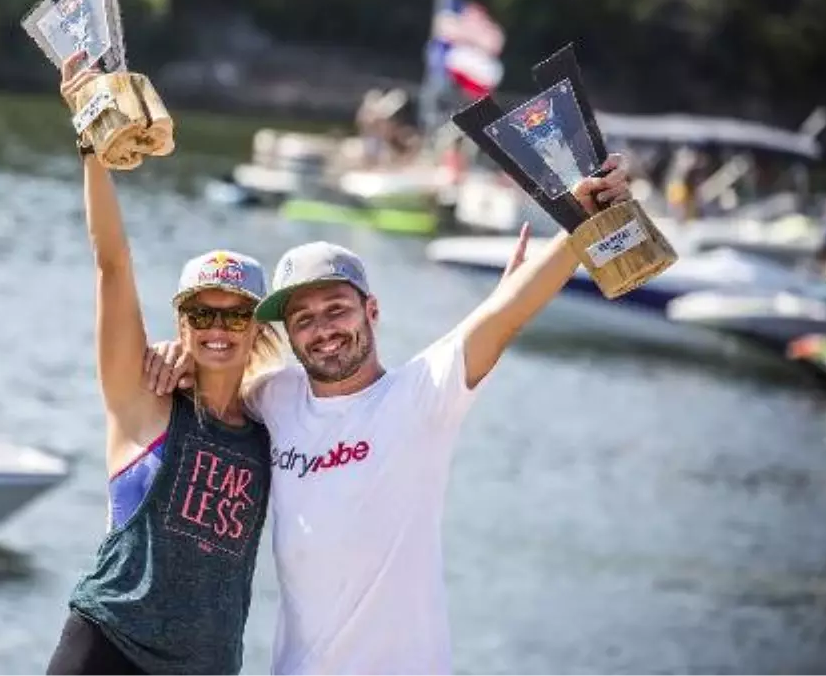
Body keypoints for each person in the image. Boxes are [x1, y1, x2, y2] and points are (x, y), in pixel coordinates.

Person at [144, 154, 634, 673]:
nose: (323, 329)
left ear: (371, 311)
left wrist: (583, 221)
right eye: (304, 320)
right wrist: (175, 355)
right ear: (289, 336)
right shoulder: (275, 397)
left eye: (337, 309)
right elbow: (213, 376)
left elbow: (507, 314)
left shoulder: (421, 394)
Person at [46, 51, 282, 676]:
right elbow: (112, 264)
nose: (217, 329)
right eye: (202, 315)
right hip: (107, 647)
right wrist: (91, 138)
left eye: (235, 314)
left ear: (257, 325)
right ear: (182, 323)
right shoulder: (144, 396)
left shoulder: (274, 428)